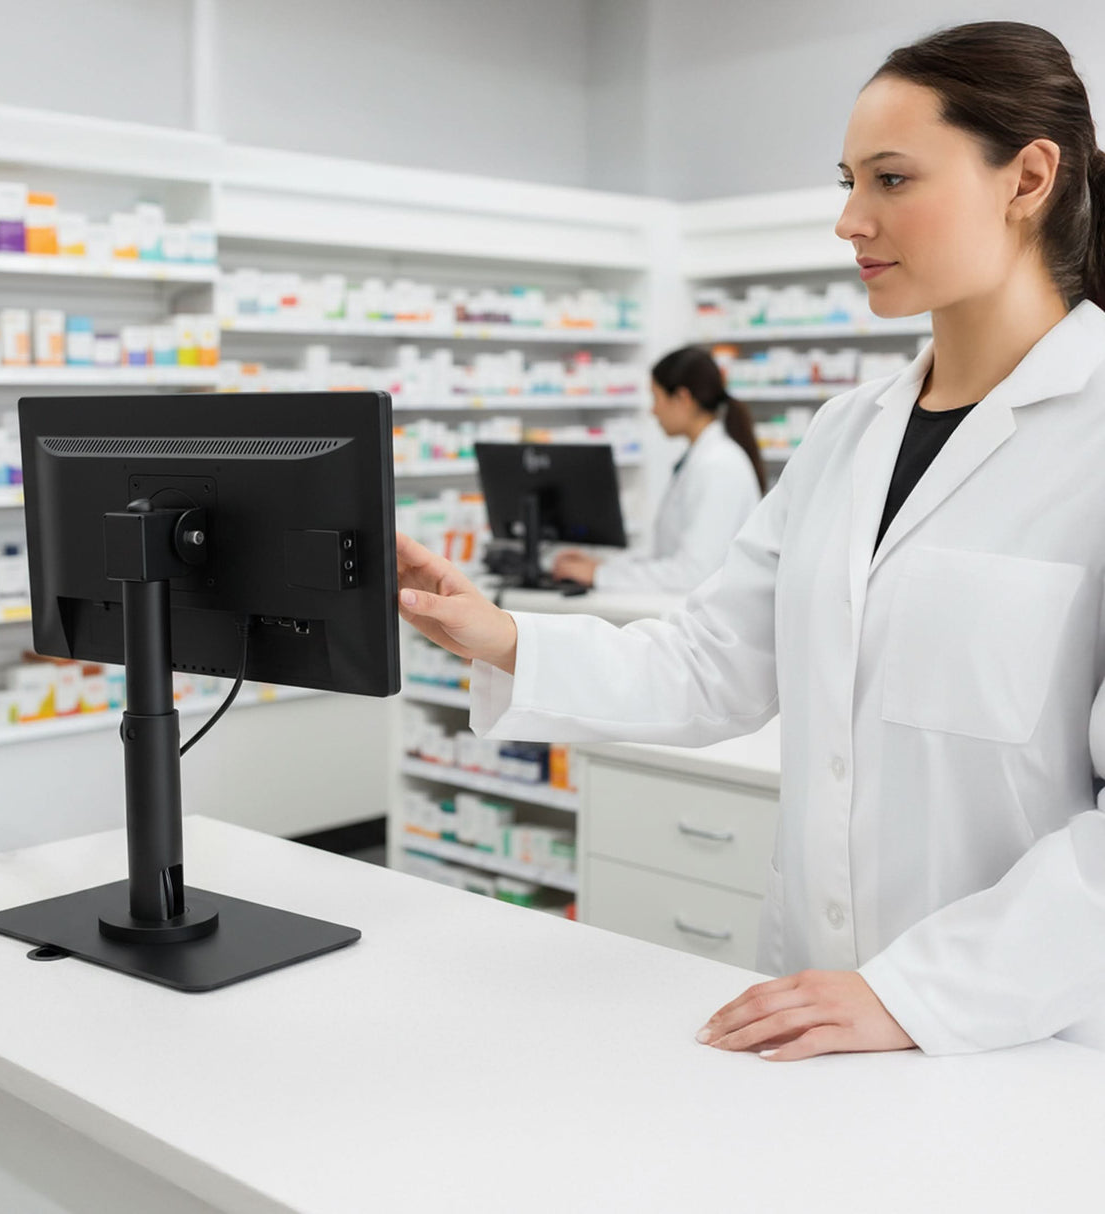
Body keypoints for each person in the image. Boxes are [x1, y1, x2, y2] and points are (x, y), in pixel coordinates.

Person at [396, 20, 1105, 1061]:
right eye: (848, 182)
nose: (849, 220)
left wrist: (917, 993)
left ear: (1028, 178)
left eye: (892, 179)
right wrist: (503, 636)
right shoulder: (843, 434)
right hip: (810, 1006)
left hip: (1020, 1042)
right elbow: (712, 663)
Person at [552, 346, 764, 592]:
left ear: (682, 398)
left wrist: (600, 575)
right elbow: (665, 555)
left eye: (656, 398)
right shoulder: (701, 459)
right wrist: (604, 566)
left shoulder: (719, 465)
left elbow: (693, 575)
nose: (653, 411)